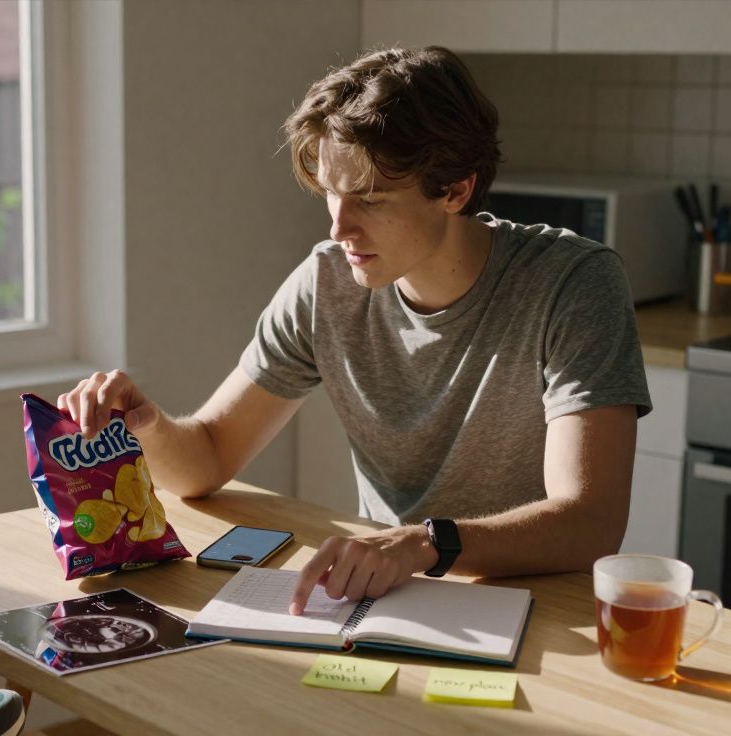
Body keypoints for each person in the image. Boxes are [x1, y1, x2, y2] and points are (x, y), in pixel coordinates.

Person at [56, 46, 651, 616]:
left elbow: (588, 522)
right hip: (389, 596)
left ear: (455, 189)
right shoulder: (326, 284)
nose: (341, 228)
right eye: (331, 196)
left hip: (541, 605)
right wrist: (147, 422)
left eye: (369, 199)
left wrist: (424, 542)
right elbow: (206, 459)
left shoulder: (574, 284)